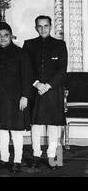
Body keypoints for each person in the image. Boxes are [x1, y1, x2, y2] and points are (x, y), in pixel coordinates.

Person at [0, 22, 32, 173]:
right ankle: (4, 159)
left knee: (16, 131)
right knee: (1, 130)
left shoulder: (20, 53)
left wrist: (25, 96)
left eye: (6, 36)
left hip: (15, 98)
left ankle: (17, 160)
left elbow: (27, 76)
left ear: (11, 36)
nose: (3, 39)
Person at [23, 15, 67, 169]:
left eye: (46, 26)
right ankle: (35, 155)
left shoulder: (60, 45)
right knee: (35, 124)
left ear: (51, 26)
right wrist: (37, 84)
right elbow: (26, 68)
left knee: (53, 125)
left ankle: (52, 156)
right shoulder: (28, 45)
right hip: (35, 90)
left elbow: (62, 70)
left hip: (53, 91)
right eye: (39, 26)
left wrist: (47, 86)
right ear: (35, 28)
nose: (43, 29)